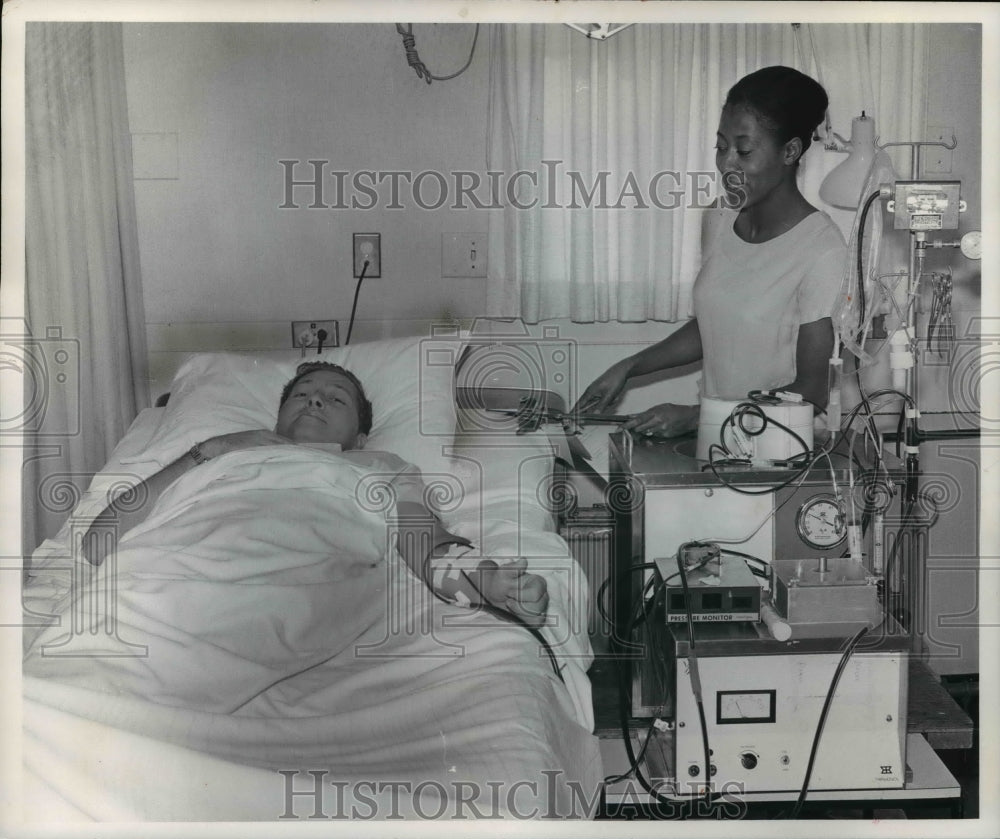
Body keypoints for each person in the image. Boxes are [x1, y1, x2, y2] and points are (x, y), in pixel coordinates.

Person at [82, 361, 549, 627]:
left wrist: (484, 582)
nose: (315, 400)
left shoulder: (381, 467)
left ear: (362, 437)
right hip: (170, 587)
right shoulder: (221, 454)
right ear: (278, 415)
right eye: (301, 394)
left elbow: (425, 544)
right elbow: (98, 542)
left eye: (336, 398)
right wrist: (207, 451)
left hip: (297, 587)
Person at [575, 66, 847, 438]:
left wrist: (696, 417)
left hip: (781, 449)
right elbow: (716, 324)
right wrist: (628, 367)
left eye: (744, 150)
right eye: (721, 147)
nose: (727, 164)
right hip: (716, 439)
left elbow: (812, 390)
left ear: (790, 151)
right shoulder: (719, 218)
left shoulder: (822, 248)